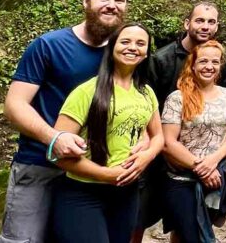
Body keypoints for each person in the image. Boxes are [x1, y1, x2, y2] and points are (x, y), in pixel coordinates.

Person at [0, 0, 133, 243]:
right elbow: (14, 104)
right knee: (23, 239)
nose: (112, 5)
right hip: (41, 164)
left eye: (119, 0)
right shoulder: (49, 46)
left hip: (91, 174)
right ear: (86, 2)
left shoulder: (124, 55)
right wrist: (54, 138)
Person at [49, 23, 165, 243]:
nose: (133, 47)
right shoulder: (86, 92)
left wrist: (145, 157)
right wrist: (105, 175)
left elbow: (158, 136)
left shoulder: (146, 92)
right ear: (111, 47)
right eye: (125, 41)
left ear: (147, 52)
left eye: (141, 43)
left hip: (127, 193)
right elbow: (56, 154)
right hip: (83, 192)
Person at [134, 1, 226, 241]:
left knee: (186, 225)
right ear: (187, 23)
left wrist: (211, 161)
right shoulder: (162, 59)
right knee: (138, 217)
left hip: (204, 158)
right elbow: (145, 105)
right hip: (159, 150)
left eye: (211, 22)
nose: (205, 26)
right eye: (200, 20)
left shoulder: (222, 61)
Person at [160, 40, 226, 243]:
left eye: (215, 62)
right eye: (203, 61)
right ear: (192, 65)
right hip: (182, 178)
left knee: (188, 232)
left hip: (215, 175)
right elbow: (168, 142)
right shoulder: (177, 98)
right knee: (190, 234)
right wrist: (201, 167)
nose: (209, 66)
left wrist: (213, 161)